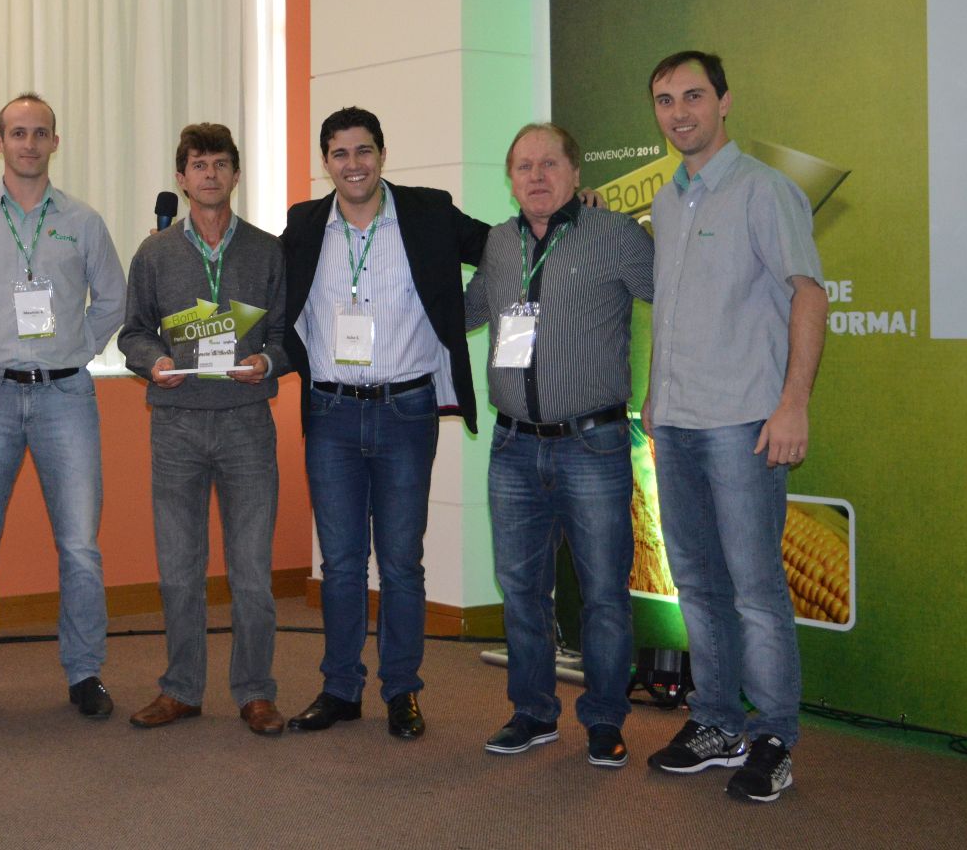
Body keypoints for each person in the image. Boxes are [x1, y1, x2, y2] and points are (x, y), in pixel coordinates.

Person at [642, 51, 827, 803]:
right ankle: (717, 722)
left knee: (754, 589)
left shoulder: (765, 189)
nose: (679, 112)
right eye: (664, 100)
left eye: (693, 96)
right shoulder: (667, 201)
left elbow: (808, 295)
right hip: (676, 421)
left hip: (744, 422)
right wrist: (653, 398)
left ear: (724, 102)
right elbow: (672, 312)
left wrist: (794, 403)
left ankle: (774, 737)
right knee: (695, 582)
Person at [280, 105, 489, 740]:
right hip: (331, 413)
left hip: (406, 411)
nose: (354, 165)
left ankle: (402, 691)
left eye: (364, 150)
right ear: (326, 163)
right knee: (341, 564)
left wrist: (570, 209)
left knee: (401, 562)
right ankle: (340, 689)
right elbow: (268, 289)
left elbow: (503, 248)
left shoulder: (428, 211)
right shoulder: (304, 224)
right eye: (340, 154)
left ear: (382, 155)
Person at [0, 92, 126, 722]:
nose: (29, 144)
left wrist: (75, 350)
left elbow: (112, 300)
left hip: (67, 397)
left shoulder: (84, 222)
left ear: (55, 143)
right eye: (18, 133)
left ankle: (85, 672)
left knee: (80, 547)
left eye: (40, 133)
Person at [463, 122, 653, 767]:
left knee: (603, 593)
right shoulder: (498, 243)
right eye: (524, 166)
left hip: (592, 445)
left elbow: (676, 298)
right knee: (521, 591)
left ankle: (604, 718)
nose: (536, 176)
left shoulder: (616, 236)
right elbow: (467, 312)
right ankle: (533, 712)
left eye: (549, 164)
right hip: (513, 448)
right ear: (510, 179)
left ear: (575, 173)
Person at [118, 123, 289, 735]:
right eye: (198, 164)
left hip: (247, 424)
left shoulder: (267, 250)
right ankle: (182, 689)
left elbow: (286, 335)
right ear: (181, 177)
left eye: (220, 163)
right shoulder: (154, 253)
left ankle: (255, 692)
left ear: (236, 174)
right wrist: (153, 361)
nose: (210, 174)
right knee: (179, 570)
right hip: (177, 426)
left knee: (252, 572)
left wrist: (267, 362)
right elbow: (133, 332)